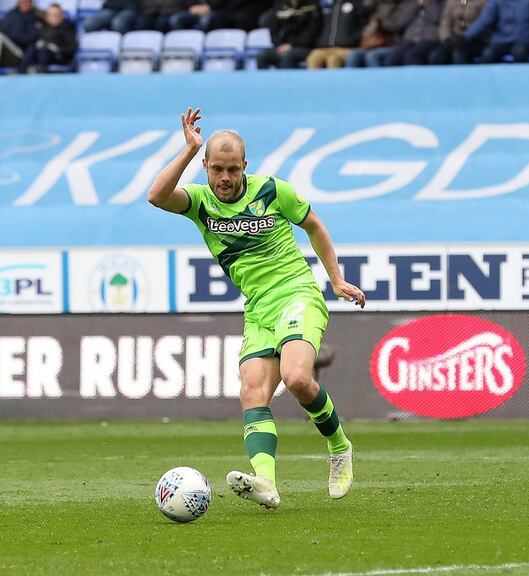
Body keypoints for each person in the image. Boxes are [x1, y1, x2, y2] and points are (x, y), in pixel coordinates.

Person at [147, 108, 365, 509]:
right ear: (206, 167)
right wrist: (188, 148)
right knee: (252, 391)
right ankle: (265, 482)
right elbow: (156, 196)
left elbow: (314, 224)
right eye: (216, 169)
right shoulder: (199, 201)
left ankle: (339, 446)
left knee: (297, 378)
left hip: (297, 292)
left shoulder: (271, 191)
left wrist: (334, 278)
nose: (225, 179)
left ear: (244, 166)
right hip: (258, 308)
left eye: (232, 169)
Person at [257, 0, 322, 70]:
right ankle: (265, 81)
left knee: (287, 56)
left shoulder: (312, 4)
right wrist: (279, 45)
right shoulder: (281, 3)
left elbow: (312, 32)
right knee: (262, 56)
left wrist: (291, 45)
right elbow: (273, 29)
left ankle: (288, 80)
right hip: (283, 46)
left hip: (306, 46)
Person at [306, 0, 367, 69]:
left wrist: (354, 39)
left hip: (347, 48)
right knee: (313, 57)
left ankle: (332, 80)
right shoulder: (326, 6)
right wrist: (320, 41)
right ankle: (314, 80)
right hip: (325, 48)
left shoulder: (357, 4)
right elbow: (317, 26)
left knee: (333, 59)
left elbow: (364, 25)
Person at [17, 3, 76, 74]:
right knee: (32, 49)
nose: (55, 17)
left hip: (60, 56)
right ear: (47, 16)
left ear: (62, 15)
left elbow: (72, 47)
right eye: (52, 15)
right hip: (42, 54)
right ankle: (20, 73)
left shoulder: (67, 27)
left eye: (57, 14)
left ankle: (42, 74)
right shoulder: (43, 27)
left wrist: (57, 48)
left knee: (44, 51)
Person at [383, 0, 444, 66]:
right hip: (410, 39)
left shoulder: (438, 2)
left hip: (429, 39)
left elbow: (436, 17)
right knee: (392, 59)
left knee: (412, 57)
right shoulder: (410, 2)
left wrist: (427, 3)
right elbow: (401, 21)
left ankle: (415, 76)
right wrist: (417, 4)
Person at [345, 0, 403, 67]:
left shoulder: (400, 5)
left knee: (372, 56)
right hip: (372, 44)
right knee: (354, 55)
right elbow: (366, 31)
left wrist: (381, 22)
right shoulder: (373, 6)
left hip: (392, 43)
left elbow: (398, 25)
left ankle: (379, 77)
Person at [429, 0, 486, 64]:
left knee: (458, 54)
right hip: (454, 39)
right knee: (436, 56)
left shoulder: (482, 2)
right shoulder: (451, 2)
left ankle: (463, 73)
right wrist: (446, 39)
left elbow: (483, 22)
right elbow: (445, 22)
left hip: (475, 39)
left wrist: (466, 37)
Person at [0, 0, 41, 68]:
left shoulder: (35, 17)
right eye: (22, 2)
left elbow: (32, 39)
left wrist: (15, 36)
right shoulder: (11, 14)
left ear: (31, 3)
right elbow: (2, 29)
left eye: (27, 2)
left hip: (22, 53)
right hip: (9, 49)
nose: (25, 4)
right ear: (18, 2)